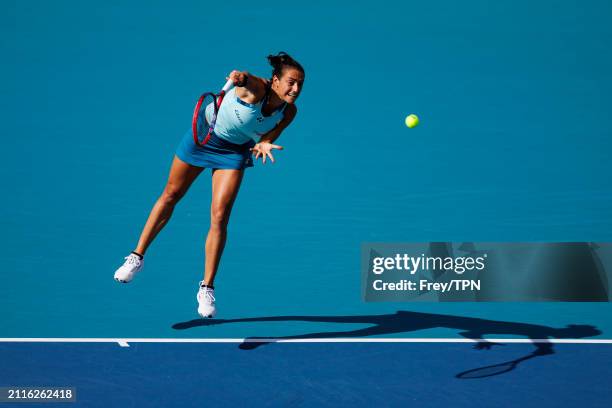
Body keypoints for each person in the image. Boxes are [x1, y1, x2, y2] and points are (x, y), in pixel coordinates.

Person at [113, 52, 305, 318]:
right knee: (171, 194)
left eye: (300, 84)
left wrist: (262, 143)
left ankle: (207, 287)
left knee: (219, 216)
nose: (296, 89)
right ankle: (136, 256)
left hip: (234, 152)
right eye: (291, 82)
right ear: (275, 80)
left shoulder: (289, 111)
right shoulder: (258, 88)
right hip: (204, 137)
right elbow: (244, 79)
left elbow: (269, 136)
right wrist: (239, 77)